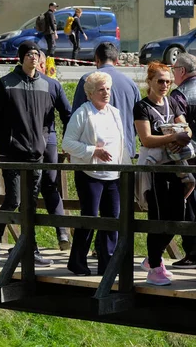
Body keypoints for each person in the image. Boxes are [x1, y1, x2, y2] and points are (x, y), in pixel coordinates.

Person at [0, 41, 54, 267]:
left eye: (36, 54)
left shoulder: (46, 85)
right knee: (13, 200)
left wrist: (45, 141)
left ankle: (31, 248)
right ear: (21, 57)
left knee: (31, 205)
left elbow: (48, 120)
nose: (33, 57)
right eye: (28, 54)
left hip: (36, 155)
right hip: (11, 153)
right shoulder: (6, 83)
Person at [134, 61, 191, 286]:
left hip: (175, 166)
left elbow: (186, 128)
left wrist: (181, 136)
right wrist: (172, 138)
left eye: (168, 81)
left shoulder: (173, 102)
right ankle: (156, 265)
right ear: (150, 81)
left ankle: (152, 257)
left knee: (178, 216)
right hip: (154, 169)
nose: (165, 85)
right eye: (160, 81)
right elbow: (146, 139)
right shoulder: (142, 107)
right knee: (158, 216)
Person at [62, 72, 125, 276]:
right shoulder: (82, 113)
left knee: (112, 220)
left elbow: (121, 143)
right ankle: (77, 261)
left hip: (113, 174)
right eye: (101, 89)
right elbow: (67, 143)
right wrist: (93, 151)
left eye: (108, 89)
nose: (106, 93)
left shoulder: (115, 112)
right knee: (89, 218)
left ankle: (108, 264)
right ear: (90, 93)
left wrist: (124, 168)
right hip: (90, 173)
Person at [72, 42, 141, 160]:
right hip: (123, 152)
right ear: (116, 60)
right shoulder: (131, 84)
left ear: (97, 60)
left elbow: (75, 119)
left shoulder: (87, 81)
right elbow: (139, 120)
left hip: (94, 154)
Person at [37, 51, 72, 250]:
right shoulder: (53, 84)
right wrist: (67, 142)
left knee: (30, 187)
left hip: (31, 141)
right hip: (49, 139)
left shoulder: (20, 82)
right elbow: (67, 114)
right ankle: (62, 232)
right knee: (50, 185)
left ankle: (29, 238)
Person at [169, 53, 196, 268]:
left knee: (191, 204)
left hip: (191, 158)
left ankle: (193, 252)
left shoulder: (179, 95)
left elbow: (178, 130)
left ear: (182, 72)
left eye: (174, 69)